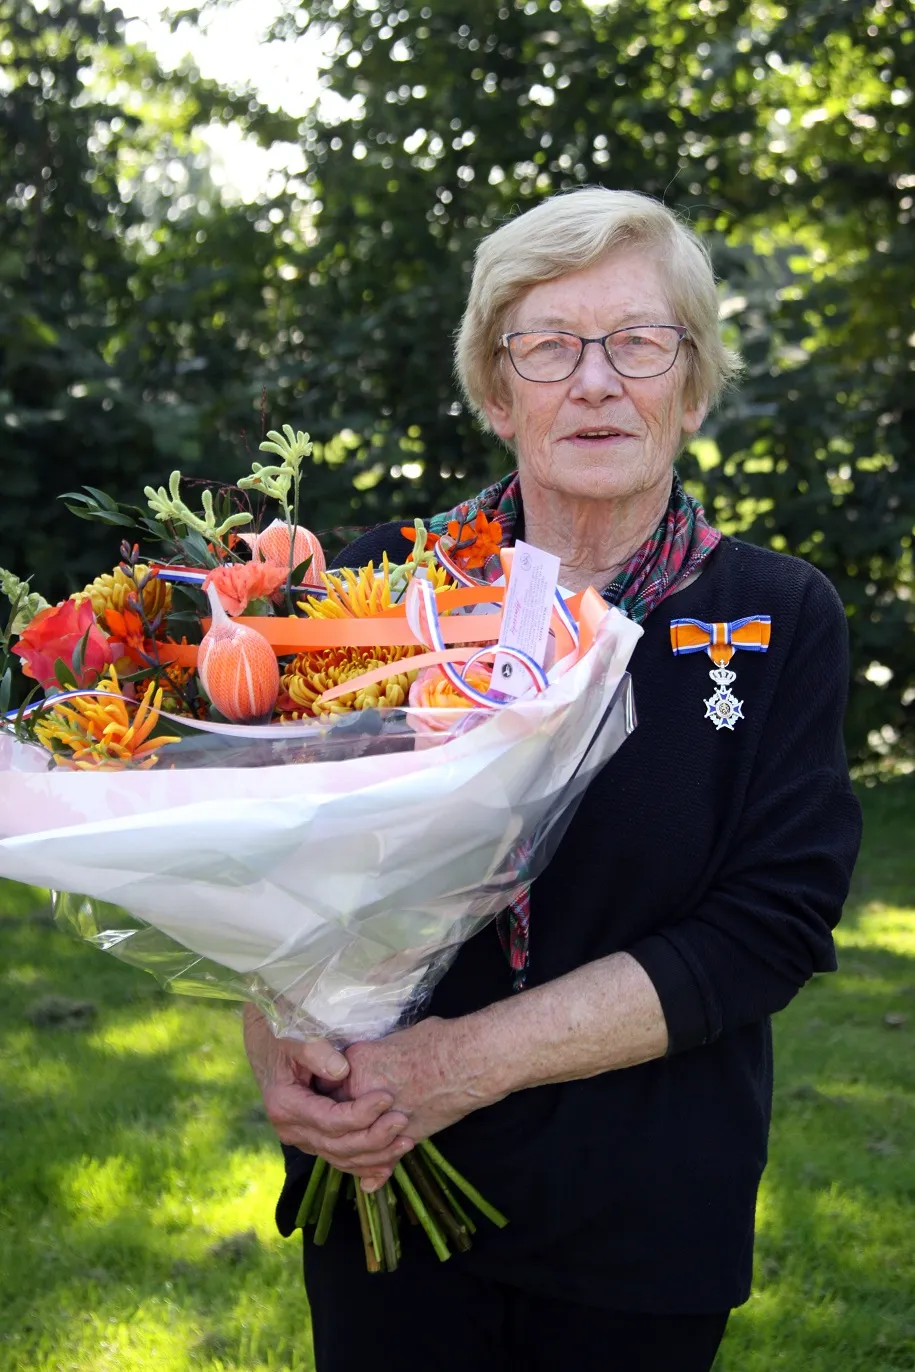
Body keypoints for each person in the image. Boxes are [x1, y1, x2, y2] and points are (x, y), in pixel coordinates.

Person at [242, 187, 862, 1372]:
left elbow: (769, 926)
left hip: (639, 1224)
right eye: (547, 345)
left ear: (689, 387)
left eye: (638, 342)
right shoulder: (373, 600)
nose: (593, 380)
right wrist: (283, 1054)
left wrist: (450, 1068)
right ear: (494, 388)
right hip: (380, 1183)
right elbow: (270, 852)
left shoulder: (780, 615)